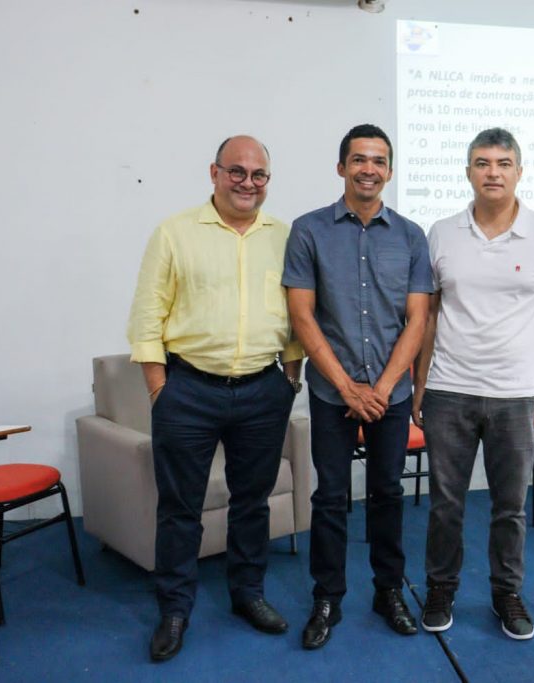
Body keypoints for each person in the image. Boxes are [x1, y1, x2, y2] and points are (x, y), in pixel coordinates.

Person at [127, 135, 304, 662]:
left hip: (263, 390)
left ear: (268, 180)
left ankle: (248, 593)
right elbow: (146, 316)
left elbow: (297, 316)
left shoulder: (284, 237)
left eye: (259, 174)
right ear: (214, 172)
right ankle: (174, 609)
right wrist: (159, 389)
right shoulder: (175, 232)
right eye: (237, 171)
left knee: (252, 502)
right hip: (189, 391)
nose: (248, 183)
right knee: (180, 508)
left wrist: (290, 380)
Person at [414, 127, 534, 641]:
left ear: (519, 172)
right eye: (483, 163)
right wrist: (419, 384)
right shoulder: (441, 233)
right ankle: (441, 588)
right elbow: (428, 316)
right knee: (446, 505)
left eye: (503, 163)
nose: (493, 172)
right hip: (449, 389)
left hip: (517, 394)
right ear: (468, 172)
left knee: (510, 507)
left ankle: (507, 593)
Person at [283, 124, 432, 650]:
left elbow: (418, 319)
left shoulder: (411, 236)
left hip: (391, 394)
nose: (369, 169)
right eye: (359, 159)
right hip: (332, 392)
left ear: (389, 170)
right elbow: (302, 316)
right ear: (341, 166)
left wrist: (383, 387)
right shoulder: (308, 230)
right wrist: (348, 387)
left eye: (379, 160)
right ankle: (327, 597)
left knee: (388, 493)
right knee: (330, 496)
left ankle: (388, 590)